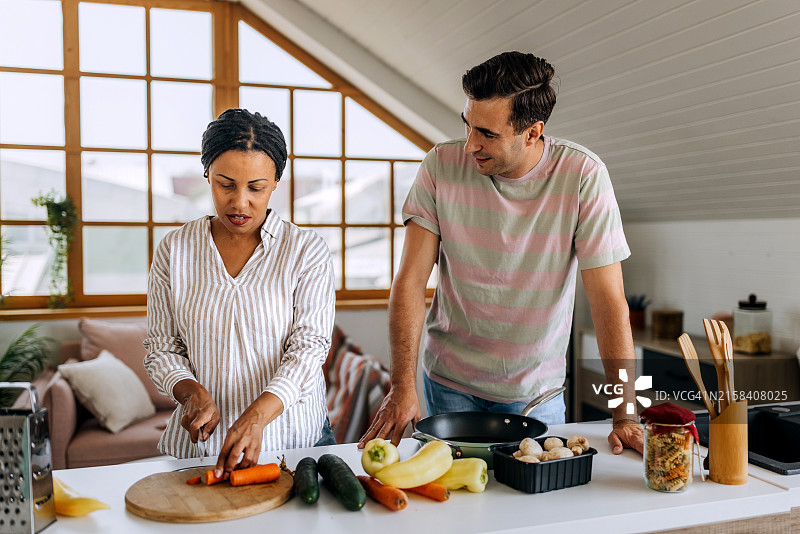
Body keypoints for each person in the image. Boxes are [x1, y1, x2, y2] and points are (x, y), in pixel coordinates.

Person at [359, 52, 643, 455]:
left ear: (532, 132)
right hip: (447, 386)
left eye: (488, 134)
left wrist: (626, 414)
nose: (471, 144)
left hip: (534, 395)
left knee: (534, 509)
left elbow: (609, 302)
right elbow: (409, 282)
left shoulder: (583, 176)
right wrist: (402, 386)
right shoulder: (440, 165)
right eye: (468, 125)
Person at [144, 108, 336, 481]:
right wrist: (189, 393)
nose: (240, 202)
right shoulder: (175, 250)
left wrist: (257, 415)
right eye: (225, 184)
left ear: (276, 182)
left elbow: (309, 348)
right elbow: (161, 348)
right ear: (207, 175)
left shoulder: (305, 250)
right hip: (202, 450)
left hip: (294, 444)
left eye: (256, 188)